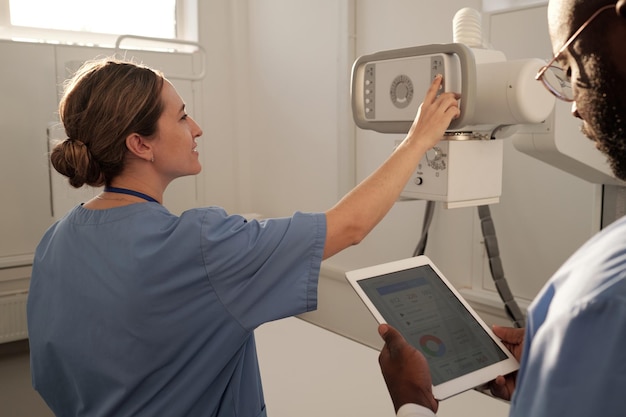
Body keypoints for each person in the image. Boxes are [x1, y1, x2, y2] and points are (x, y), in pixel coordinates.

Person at [26, 57, 460, 417]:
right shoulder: (201, 247)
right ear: (140, 144)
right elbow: (349, 226)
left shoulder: (56, 241)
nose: (196, 128)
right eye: (180, 116)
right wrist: (417, 140)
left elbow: (51, 375)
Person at [377, 0, 626, 416]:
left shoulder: (601, 304)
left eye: (570, 65)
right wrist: (551, 364)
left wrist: (414, 403)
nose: (573, 104)